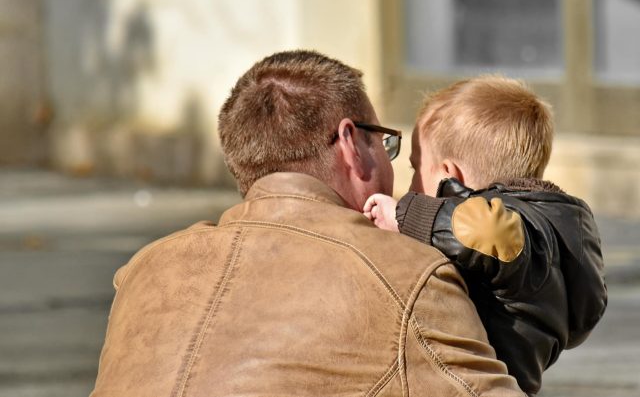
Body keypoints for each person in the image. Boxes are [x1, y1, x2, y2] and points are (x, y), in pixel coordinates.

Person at [90, 51, 524, 396]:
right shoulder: (404, 274)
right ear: (351, 144)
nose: (398, 183)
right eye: (386, 145)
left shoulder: (145, 272)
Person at [364, 76, 608, 394]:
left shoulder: (521, 230)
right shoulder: (553, 228)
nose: (410, 187)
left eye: (415, 170)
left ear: (450, 178)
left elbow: (487, 230)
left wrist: (405, 214)